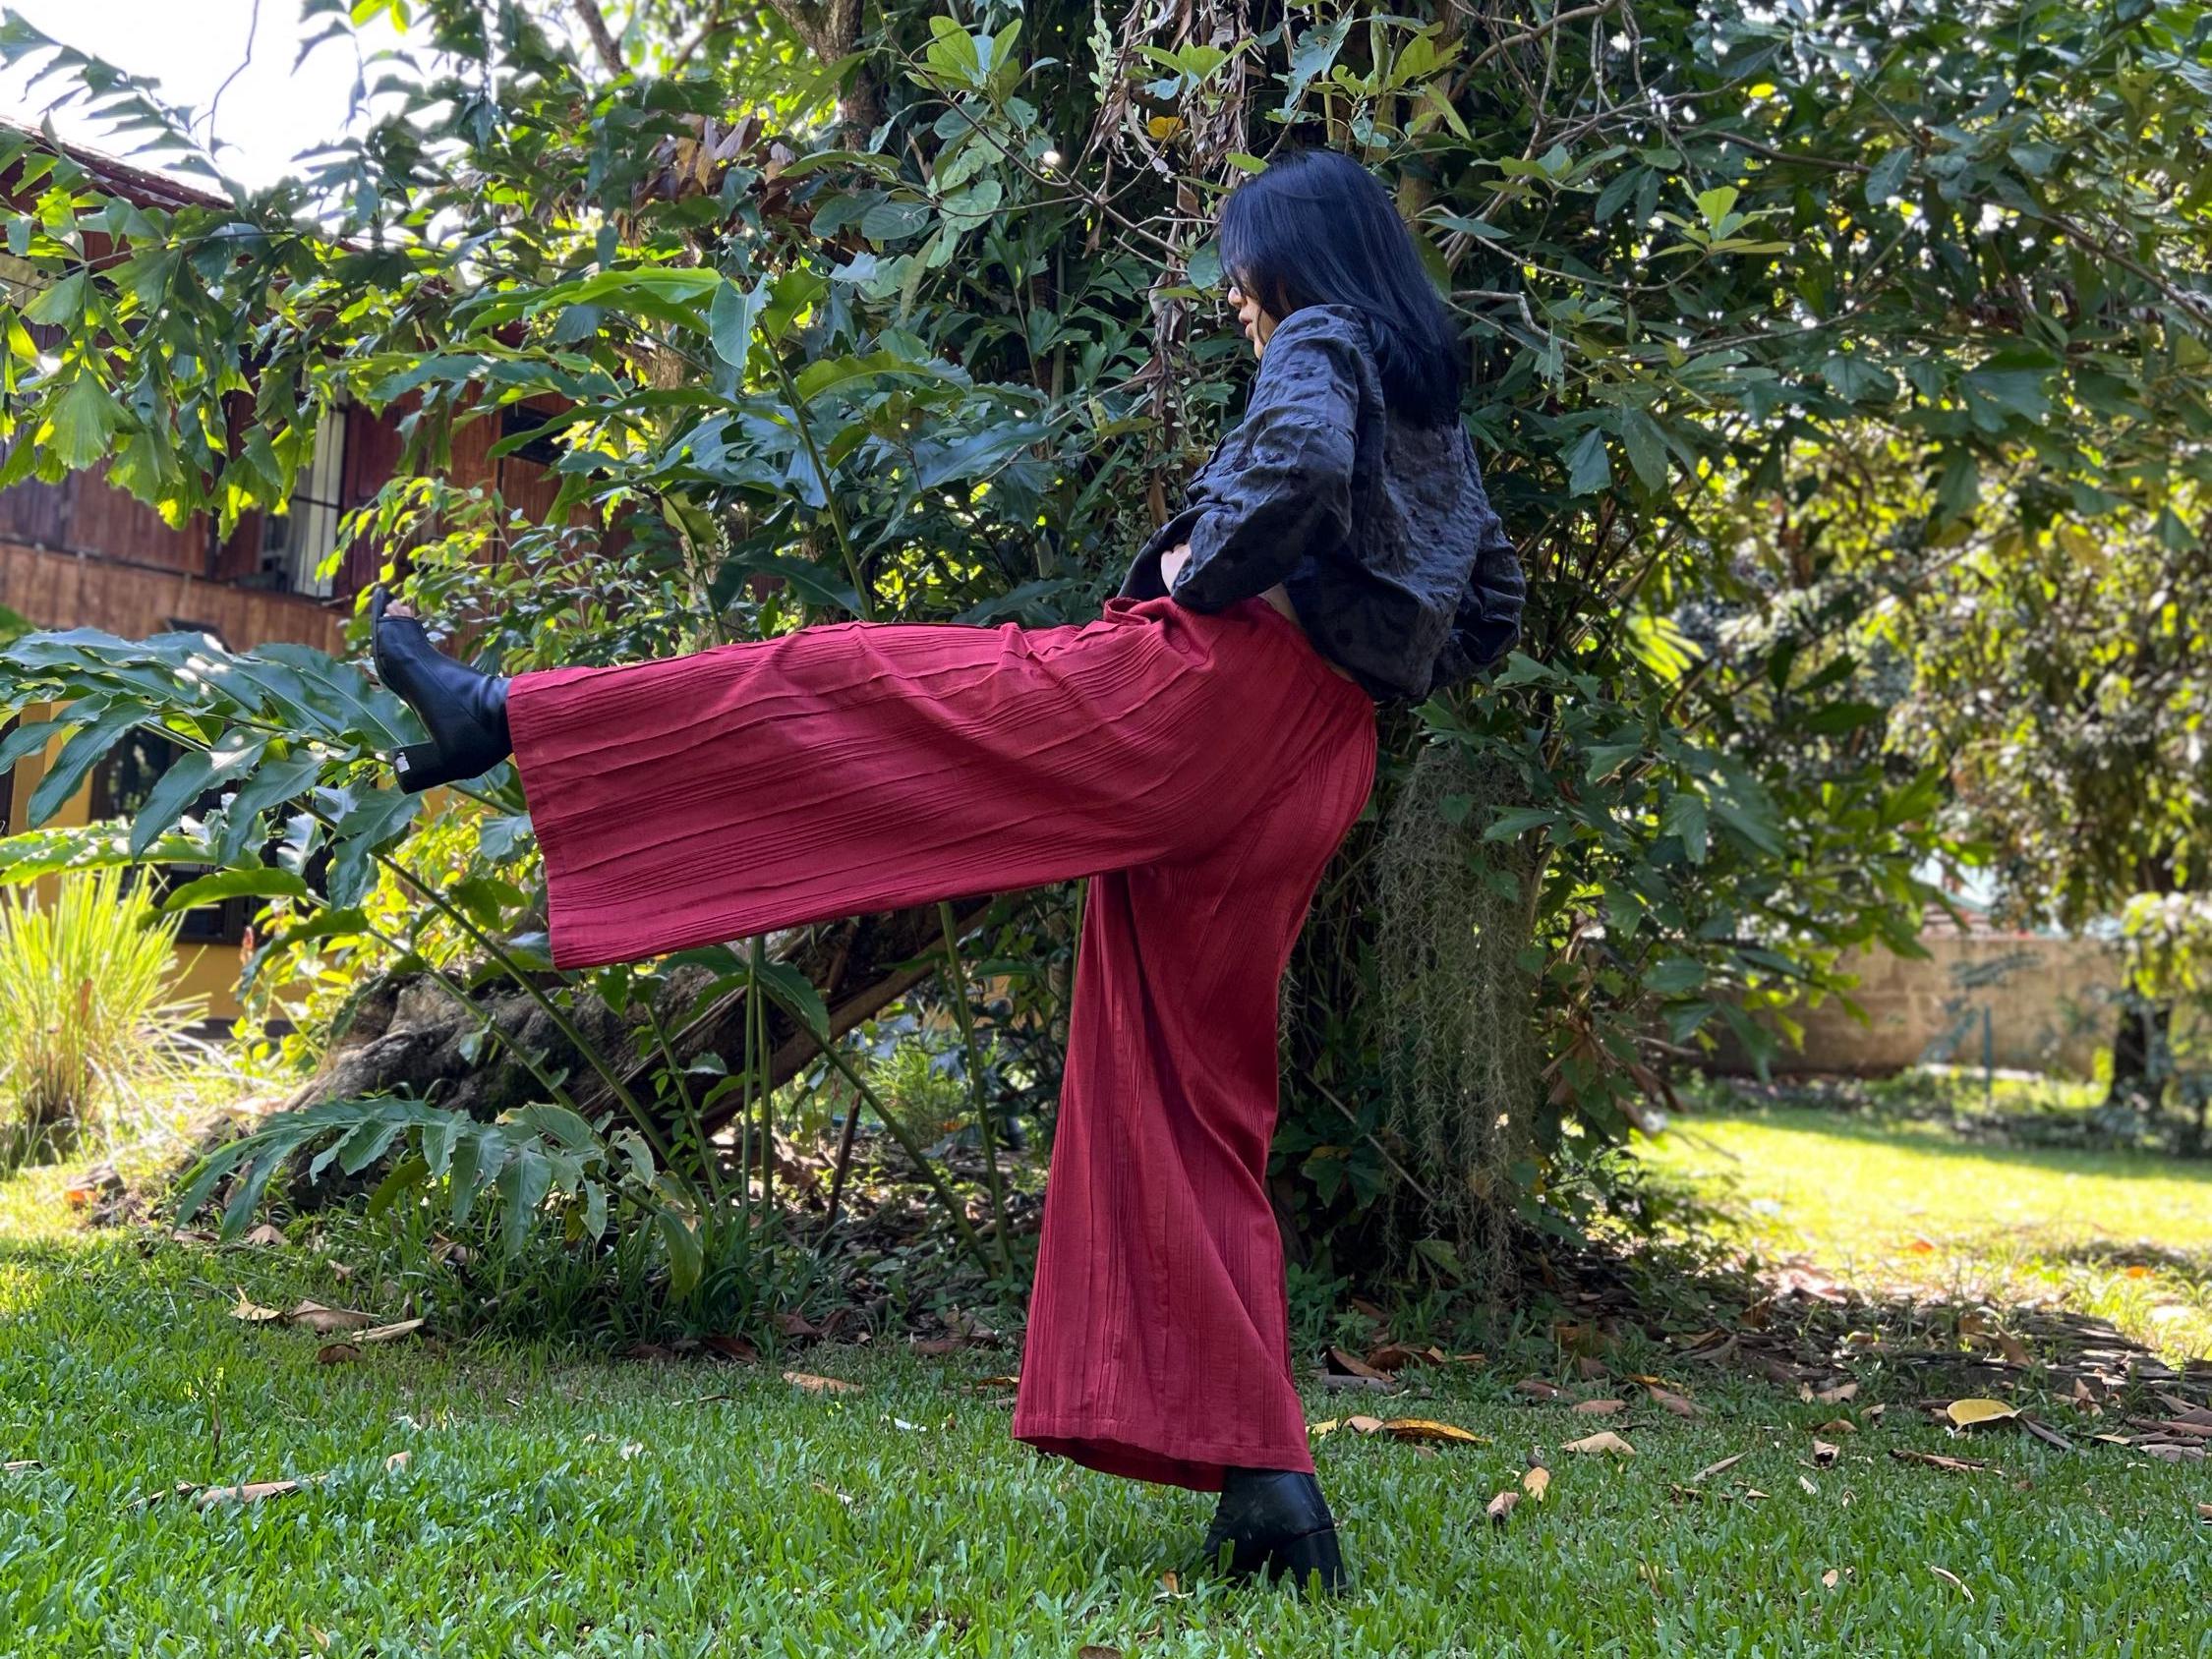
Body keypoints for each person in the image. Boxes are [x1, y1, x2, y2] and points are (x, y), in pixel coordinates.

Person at [369, 145, 1525, 1593]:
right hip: (1317, 759)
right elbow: (1490, 609)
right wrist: (1348, 659)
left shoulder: (1324, 337)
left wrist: (1198, 575)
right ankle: (1269, 1495)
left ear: (1299, 262)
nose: (1237, 298)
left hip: (1202, 703)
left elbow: (1288, 471)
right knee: (1190, 1096)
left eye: (1245, 271)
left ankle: (506, 715)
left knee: (846, 683)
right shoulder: (1430, 409)